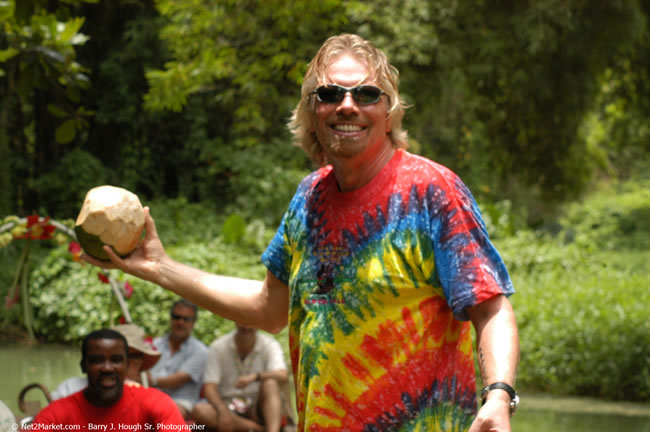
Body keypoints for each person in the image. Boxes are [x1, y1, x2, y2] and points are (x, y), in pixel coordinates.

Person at [85, 33, 520, 432]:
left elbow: (490, 306)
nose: (347, 105)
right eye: (329, 94)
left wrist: (498, 394)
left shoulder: (431, 191)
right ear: (312, 112)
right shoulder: (309, 198)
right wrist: (159, 267)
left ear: (389, 113)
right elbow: (270, 307)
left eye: (366, 94)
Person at [33, 328, 186, 429]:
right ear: (83, 366)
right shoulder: (56, 414)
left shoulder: (156, 404)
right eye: (97, 360)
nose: (107, 368)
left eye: (116, 360)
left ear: (126, 365)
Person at [192, 323, 290, 432]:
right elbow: (209, 388)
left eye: (251, 321)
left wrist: (256, 376)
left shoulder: (269, 344)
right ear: (235, 320)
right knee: (200, 410)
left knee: (270, 383)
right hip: (228, 406)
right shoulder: (218, 346)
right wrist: (223, 412)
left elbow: (282, 375)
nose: (246, 326)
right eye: (242, 321)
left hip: (258, 407)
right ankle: (260, 429)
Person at [50, 323, 161, 400]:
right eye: (100, 359)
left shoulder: (149, 399)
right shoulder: (70, 388)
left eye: (134, 356)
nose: (108, 368)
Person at [146, 299, 208, 420]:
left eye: (186, 319)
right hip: (150, 398)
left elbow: (179, 379)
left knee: (166, 411)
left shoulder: (200, 351)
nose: (180, 322)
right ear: (171, 318)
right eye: (176, 317)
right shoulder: (155, 344)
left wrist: (150, 380)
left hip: (181, 402)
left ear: (193, 322)